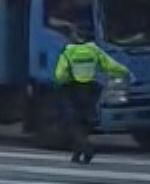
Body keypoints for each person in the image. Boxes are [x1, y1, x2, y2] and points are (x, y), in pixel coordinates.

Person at [53, 26, 131, 164]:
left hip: (74, 89)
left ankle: (86, 148)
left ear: (76, 37)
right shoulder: (93, 50)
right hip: (91, 89)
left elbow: (60, 75)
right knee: (85, 121)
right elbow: (110, 65)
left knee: (72, 122)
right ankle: (77, 155)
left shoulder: (69, 51)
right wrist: (124, 71)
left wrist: (63, 81)